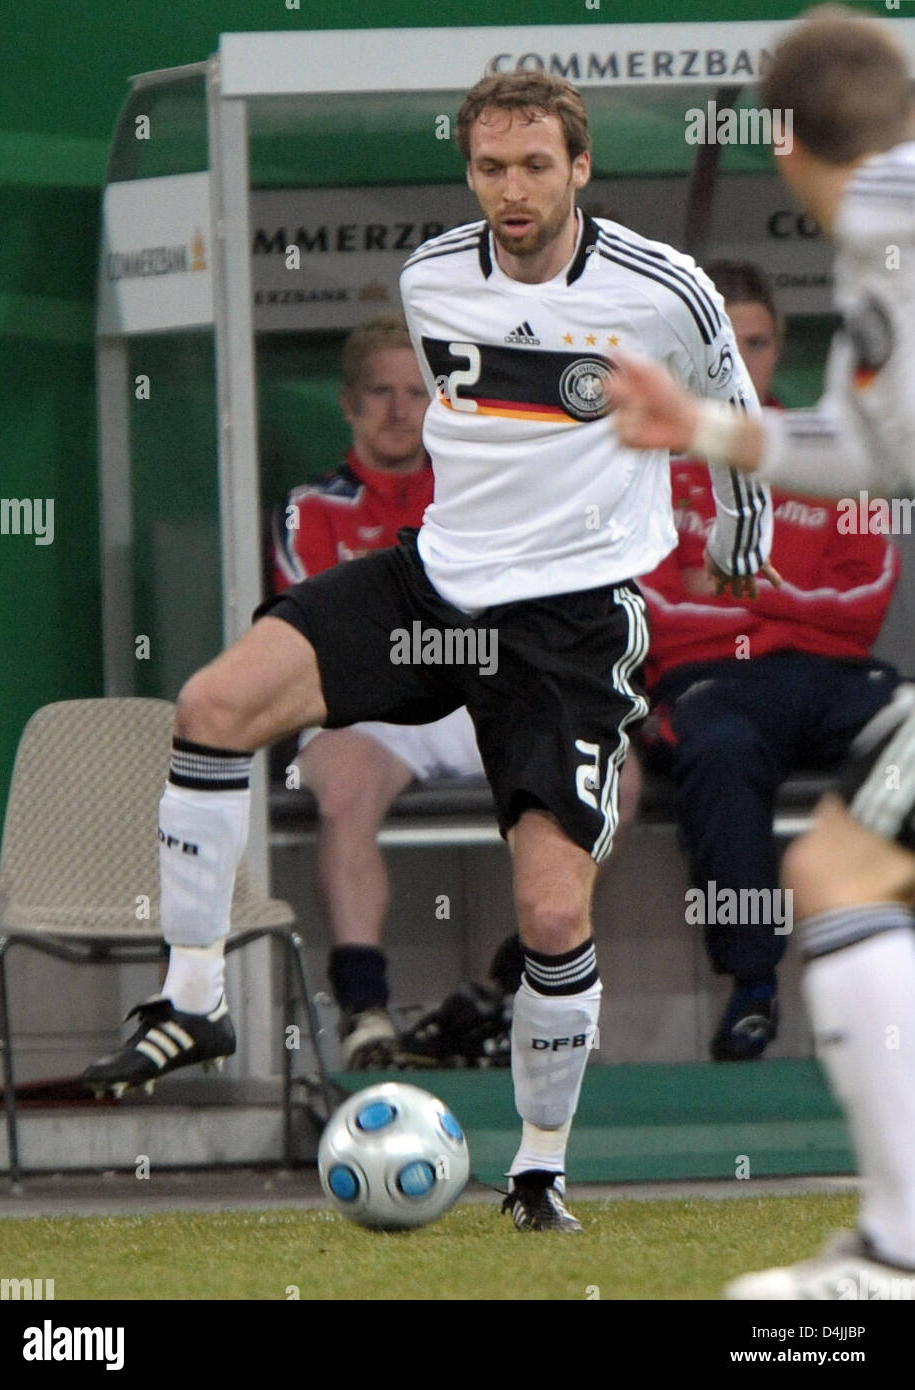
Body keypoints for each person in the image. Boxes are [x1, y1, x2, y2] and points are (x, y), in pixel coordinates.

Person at [82, 68, 771, 1232]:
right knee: (211, 703)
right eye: (492, 166)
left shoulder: (667, 290)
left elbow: (739, 424)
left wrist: (741, 536)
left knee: (554, 915)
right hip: (436, 583)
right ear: (471, 170)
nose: (513, 188)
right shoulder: (432, 274)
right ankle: (194, 996)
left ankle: (542, 1163)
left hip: (571, 625)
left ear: (580, 167)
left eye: (536, 165)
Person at [608, 5, 915, 1295]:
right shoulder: (886, 235)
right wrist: (713, 431)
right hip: (739, 682)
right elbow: (883, 453)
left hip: (822, 677)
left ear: (785, 143)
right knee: (845, 861)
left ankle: (898, 1255)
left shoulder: (888, 235)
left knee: (840, 867)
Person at [639, 259, 900, 1061]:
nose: (738, 362)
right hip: (711, 680)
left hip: (830, 677)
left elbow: (867, 600)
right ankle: (752, 990)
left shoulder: (821, 452)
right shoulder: (649, 461)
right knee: (718, 750)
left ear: (777, 347)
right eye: (720, 342)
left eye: (754, 343)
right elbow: (654, 609)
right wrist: (771, 597)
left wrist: (743, 586)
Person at [270, 315, 484, 1070]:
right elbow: (320, 634)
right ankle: (366, 1011)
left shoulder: (476, 498)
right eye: (379, 393)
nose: (399, 410)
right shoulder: (313, 507)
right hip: (363, 706)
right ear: (349, 405)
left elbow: (497, 612)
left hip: (466, 692)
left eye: (415, 393)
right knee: (346, 788)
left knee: (607, 767)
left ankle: (505, 992)